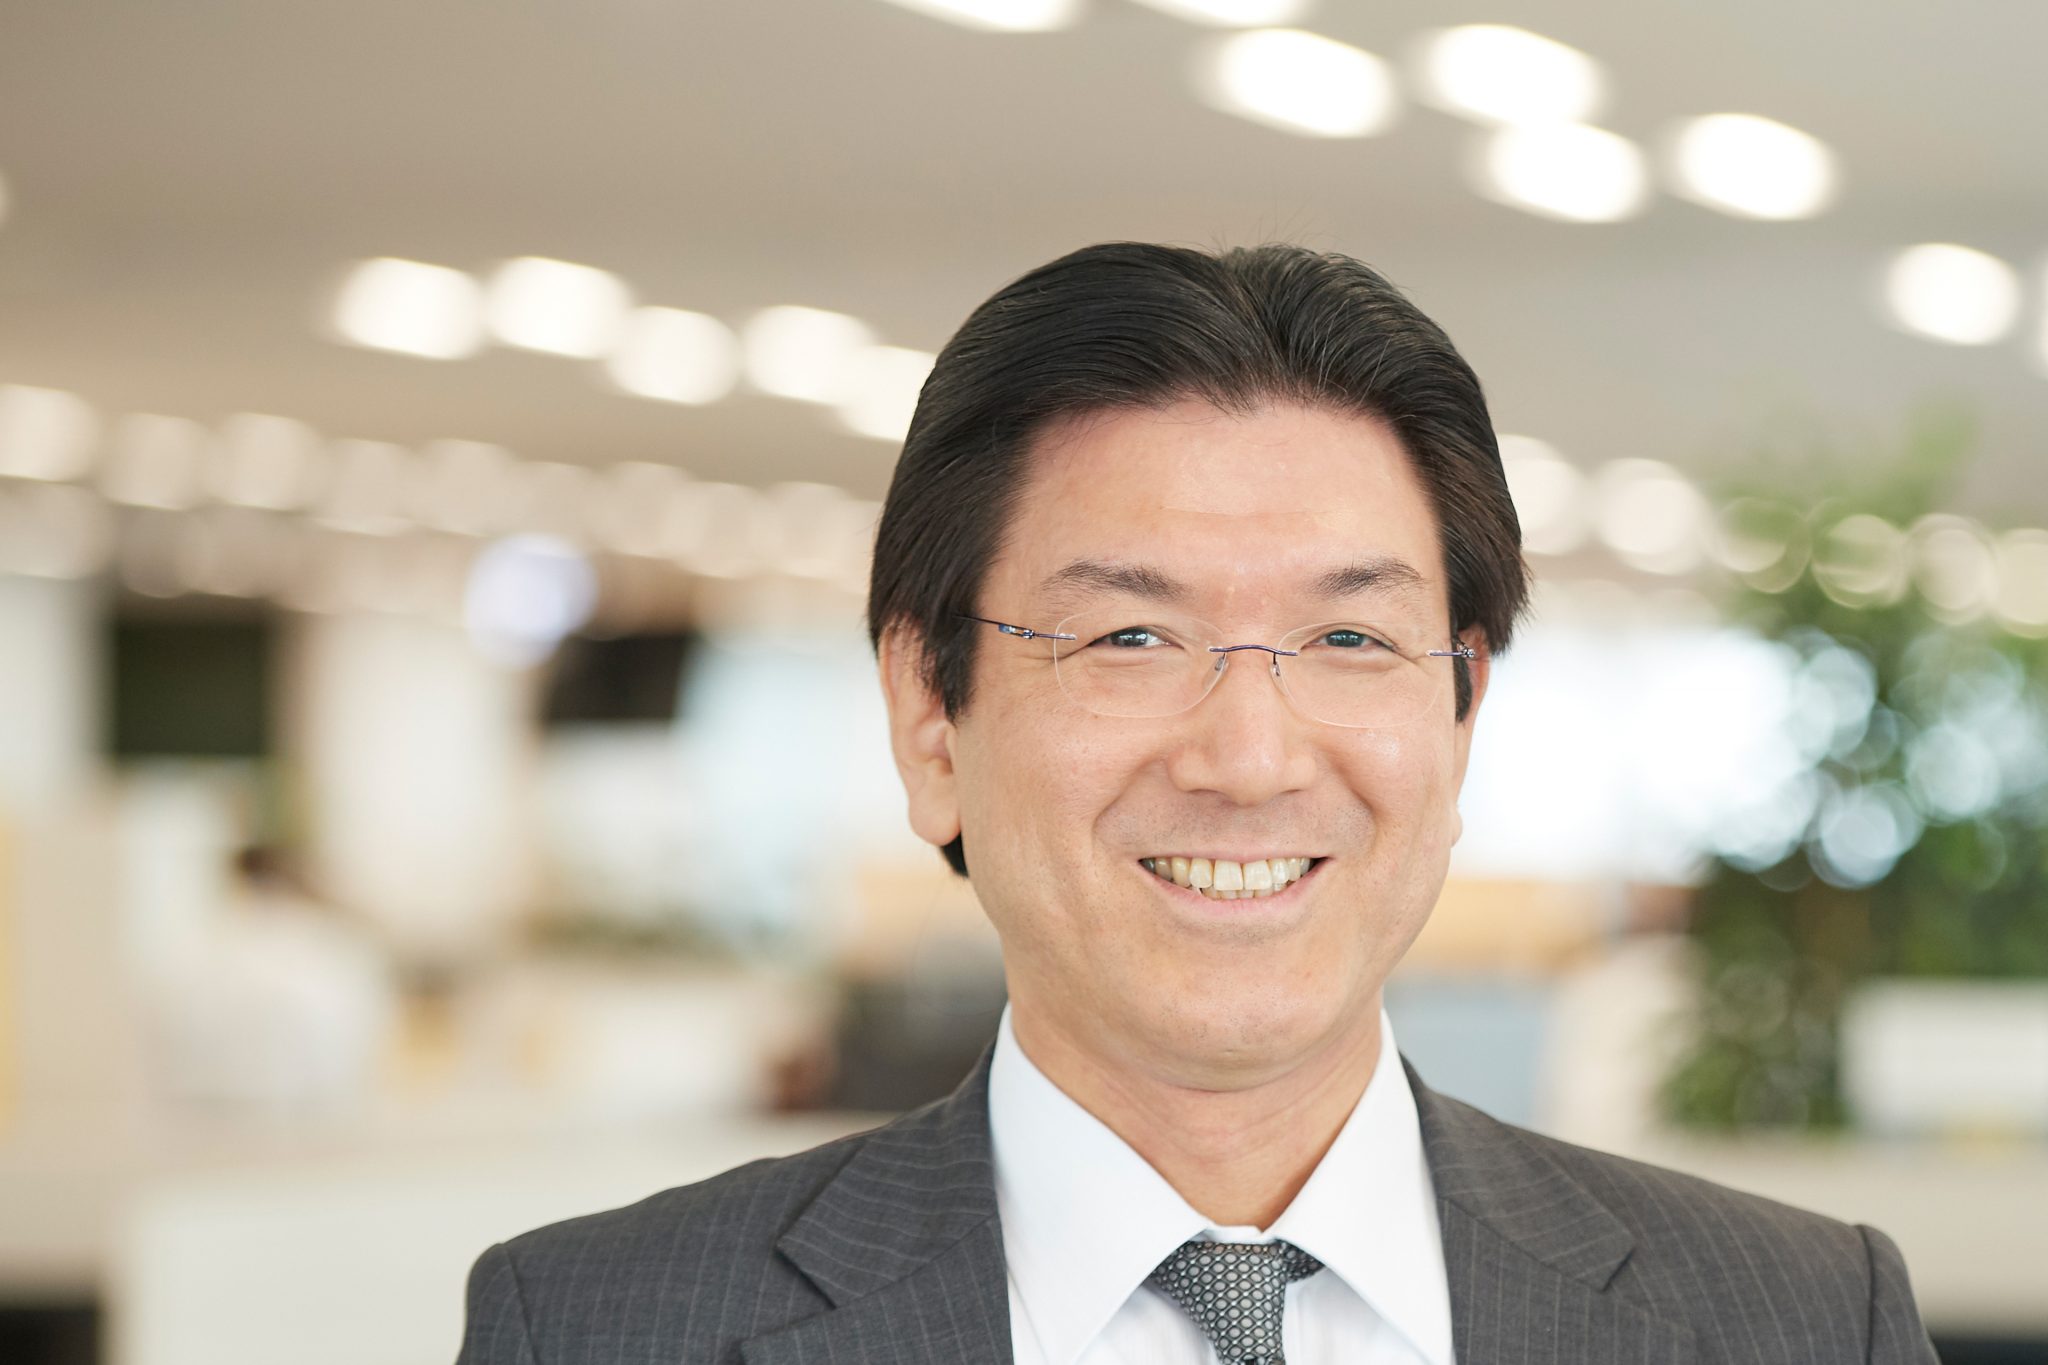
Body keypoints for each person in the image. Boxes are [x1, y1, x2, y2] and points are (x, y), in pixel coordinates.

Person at [457, 243, 1937, 1363]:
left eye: (1348, 637)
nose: (1250, 758)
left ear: (1463, 711)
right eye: (1130, 636)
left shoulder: (1806, 1323)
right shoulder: (599, 1329)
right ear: (929, 717)